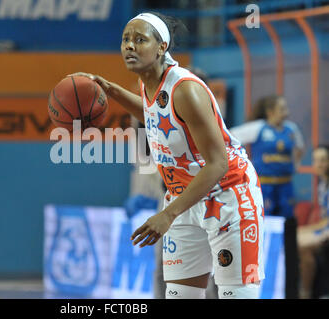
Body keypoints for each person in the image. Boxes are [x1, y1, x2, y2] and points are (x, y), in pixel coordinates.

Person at [70, 12, 264, 299]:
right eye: (125, 40)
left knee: (234, 295)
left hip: (227, 195)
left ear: (162, 47)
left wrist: (167, 215)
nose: (130, 46)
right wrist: (111, 91)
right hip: (185, 198)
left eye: (139, 39)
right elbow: (154, 114)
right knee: (179, 295)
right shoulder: (149, 83)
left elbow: (218, 163)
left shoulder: (186, 89)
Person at [230, 96, 305, 218]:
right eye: (282, 109)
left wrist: (296, 164)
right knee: (265, 218)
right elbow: (229, 136)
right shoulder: (257, 128)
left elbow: (300, 147)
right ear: (270, 112)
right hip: (264, 185)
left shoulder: (291, 129)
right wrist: (241, 164)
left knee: (288, 219)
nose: (287, 113)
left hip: (286, 184)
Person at [298, 145, 329, 298]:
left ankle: (306, 292)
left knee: (302, 245)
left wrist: (307, 231)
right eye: (316, 160)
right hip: (325, 229)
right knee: (294, 240)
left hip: (327, 231)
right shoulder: (322, 185)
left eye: (323, 160)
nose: (319, 164)